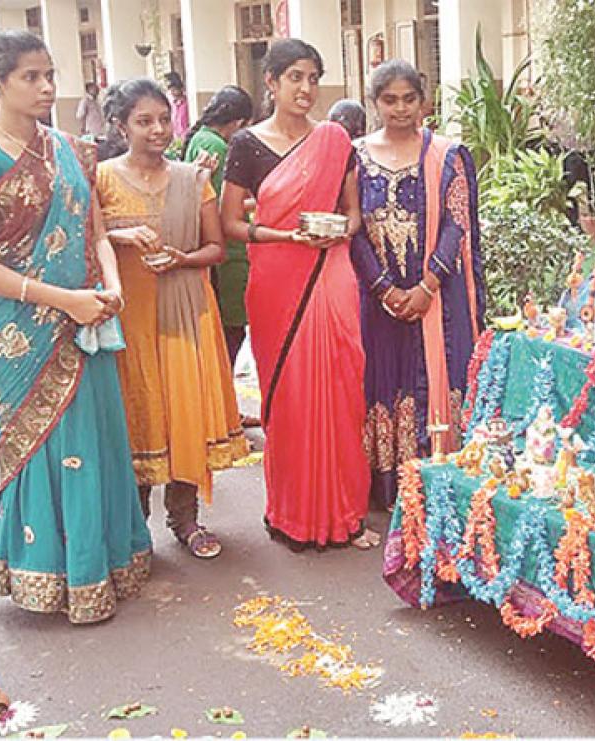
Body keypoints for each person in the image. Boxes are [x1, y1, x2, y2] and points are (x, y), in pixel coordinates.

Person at [0, 30, 151, 622]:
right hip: (17, 327)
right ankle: (48, 574)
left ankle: (103, 564)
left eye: (49, 74)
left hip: (86, 314)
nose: (45, 87)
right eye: (30, 77)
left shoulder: (67, 147)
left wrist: (108, 285)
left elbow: (95, 232)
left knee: (96, 437)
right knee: (46, 444)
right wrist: (66, 298)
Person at [220, 39, 376, 551]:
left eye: (313, 78)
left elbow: (355, 215)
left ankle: (343, 512)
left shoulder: (335, 141)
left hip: (330, 271)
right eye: (295, 78)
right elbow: (229, 223)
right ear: (272, 83)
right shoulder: (246, 145)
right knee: (286, 396)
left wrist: (339, 232)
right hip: (277, 280)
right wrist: (283, 236)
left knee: (339, 386)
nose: (306, 89)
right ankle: (291, 513)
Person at [98, 78, 248, 559]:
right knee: (137, 414)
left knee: (185, 412)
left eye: (164, 119)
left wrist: (180, 259)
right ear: (121, 126)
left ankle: (185, 518)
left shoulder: (193, 179)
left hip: (185, 314)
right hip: (128, 320)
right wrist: (122, 238)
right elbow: (89, 245)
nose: (158, 130)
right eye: (144, 121)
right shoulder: (99, 179)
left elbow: (216, 249)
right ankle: (134, 527)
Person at [351, 60, 485, 510]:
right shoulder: (355, 156)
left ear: (423, 102)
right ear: (375, 103)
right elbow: (353, 231)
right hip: (377, 301)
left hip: (435, 299)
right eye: (390, 100)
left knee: (435, 375)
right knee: (382, 379)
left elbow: (456, 223)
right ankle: (386, 488)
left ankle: (438, 478)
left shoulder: (447, 155)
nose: (401, 108)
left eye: (409, 99)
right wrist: (384, 289)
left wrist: (426, 286)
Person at [181, 85, 255, 371]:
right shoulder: (217, 147)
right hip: (227, 251)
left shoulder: (201, 138)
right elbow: (222, 206)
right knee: (231, 331)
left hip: (217, 247)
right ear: (238, 123)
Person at [164, 71, 190, 139]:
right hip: (176, 140)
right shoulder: (172, 105)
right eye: (170, 89)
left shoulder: (187, 104)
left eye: (174, 89)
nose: (172, 91)